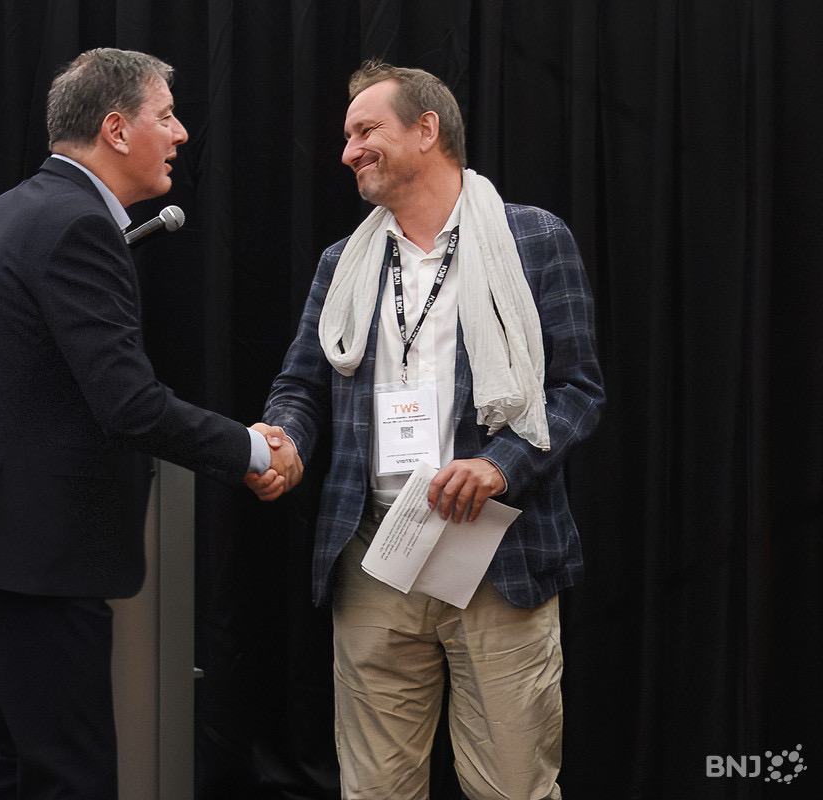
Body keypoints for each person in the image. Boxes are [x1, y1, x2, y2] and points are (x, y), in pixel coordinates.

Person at [0, 48, 301, 800]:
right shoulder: (77, 225)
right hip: (30, 560)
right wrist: (251, 449)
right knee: (71, 777)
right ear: (116, 129)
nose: (181, 134)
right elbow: (130, 405)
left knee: (19, 763)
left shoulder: (10, 209)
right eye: (166, 116)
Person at [246, 62, 604, 800]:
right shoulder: (343, 263)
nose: (348, 151)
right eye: (348, 136)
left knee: (512, 788)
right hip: (375, 552)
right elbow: (302, 387)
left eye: (365, 131)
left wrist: (501, 465)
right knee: (376, 789)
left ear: (427, 129)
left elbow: (577, 391)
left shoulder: (534, 239)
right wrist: (285, 439)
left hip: (496, 556)